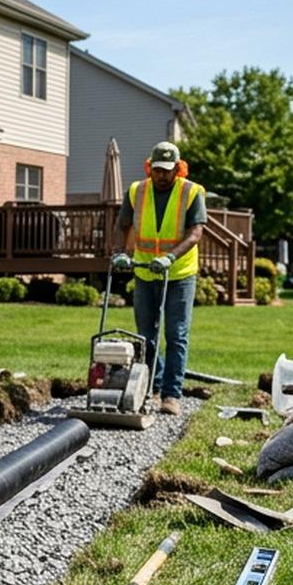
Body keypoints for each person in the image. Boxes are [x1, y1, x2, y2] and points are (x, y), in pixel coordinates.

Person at [114, 141, 206, 415]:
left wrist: (170, 257)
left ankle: (171, 395)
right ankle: (153, 387)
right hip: (144, 271)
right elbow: (122, 225)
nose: (162, 175)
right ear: (149, 168)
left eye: (167, 170)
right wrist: (120, 252)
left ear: (178, 168)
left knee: (176, 334)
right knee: (146, 335)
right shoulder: (137, 191)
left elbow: (195, 232)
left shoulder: (191, 192)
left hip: (179, 273)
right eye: (157, 170)